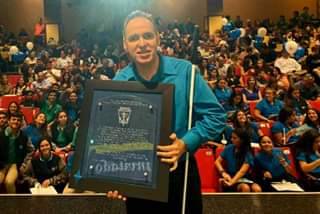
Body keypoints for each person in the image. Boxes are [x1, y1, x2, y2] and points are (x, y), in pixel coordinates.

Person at [108, 10, 226, 214]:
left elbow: (216, 116)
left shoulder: (186, 72)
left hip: (181, 172)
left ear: (158, 38)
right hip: (137, 177)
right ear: (125, 45)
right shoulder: (119, 80)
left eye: (148, 35)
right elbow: (113, 134)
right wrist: (114, 177)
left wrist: (185, 142)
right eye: (134, 38)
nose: (142, 43)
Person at [215, 128, 261, 192]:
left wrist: (232, 182)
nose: (231, 139)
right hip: (230, 176)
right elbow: (217, 162)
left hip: (243, 177)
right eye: (232, 137)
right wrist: (223, 173)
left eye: (234, 138)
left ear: (242, 140)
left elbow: (242, 171)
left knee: (257, 189)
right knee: (245, 188)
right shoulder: (229, 148)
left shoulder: (248, 152)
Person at [0, 112, 34, 193]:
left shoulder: (24, 136)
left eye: (18, 120)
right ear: (8, 121)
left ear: (21, 123)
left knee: (9, 182)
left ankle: (13, 205)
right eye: (13, 119)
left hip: (15, 165)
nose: (16, 121)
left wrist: (24, 164)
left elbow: (31, 150)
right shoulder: (1, 134)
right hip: (1, 164)